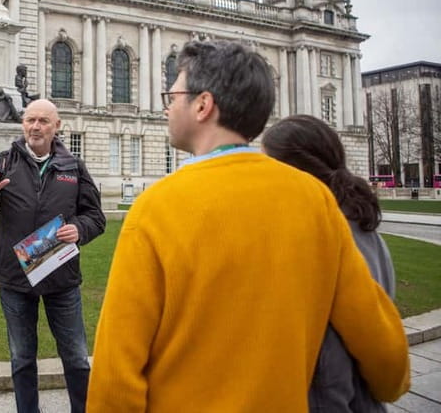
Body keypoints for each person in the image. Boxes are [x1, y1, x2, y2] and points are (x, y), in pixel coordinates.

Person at [87, 40, 410, 412]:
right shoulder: (314, 199)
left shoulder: (155, 209)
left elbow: (115, 375)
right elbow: (386, 353)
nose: (166, 105)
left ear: (203, 105)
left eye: (172, 95)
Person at [0, 98, 106, 413]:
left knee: (76, 358)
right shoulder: (3, 163)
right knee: (22, 359)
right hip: (14, 278)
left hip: (61, 278)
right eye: (30, 120)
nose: (35, 127)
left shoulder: (73, 167)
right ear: (23, 124)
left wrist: (79, 229)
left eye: (42, 121)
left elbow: (96, 217)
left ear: (57, 127)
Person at [263, 114, 396, 413]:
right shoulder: (366, 232)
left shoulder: (323, 241)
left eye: (269, 166)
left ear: (296, 171)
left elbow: (328, 372)